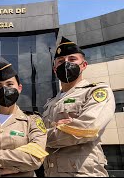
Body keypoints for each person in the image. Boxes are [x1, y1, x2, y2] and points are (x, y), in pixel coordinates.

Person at [42, 37, 116, 177]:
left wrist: (44, 136)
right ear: (54, 68)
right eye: (61, 61)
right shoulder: (50, 103)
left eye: (72, 59)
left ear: (83, 65)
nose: (66, 63)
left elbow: (88, 128)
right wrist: (59, 128)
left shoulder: (96, 91)